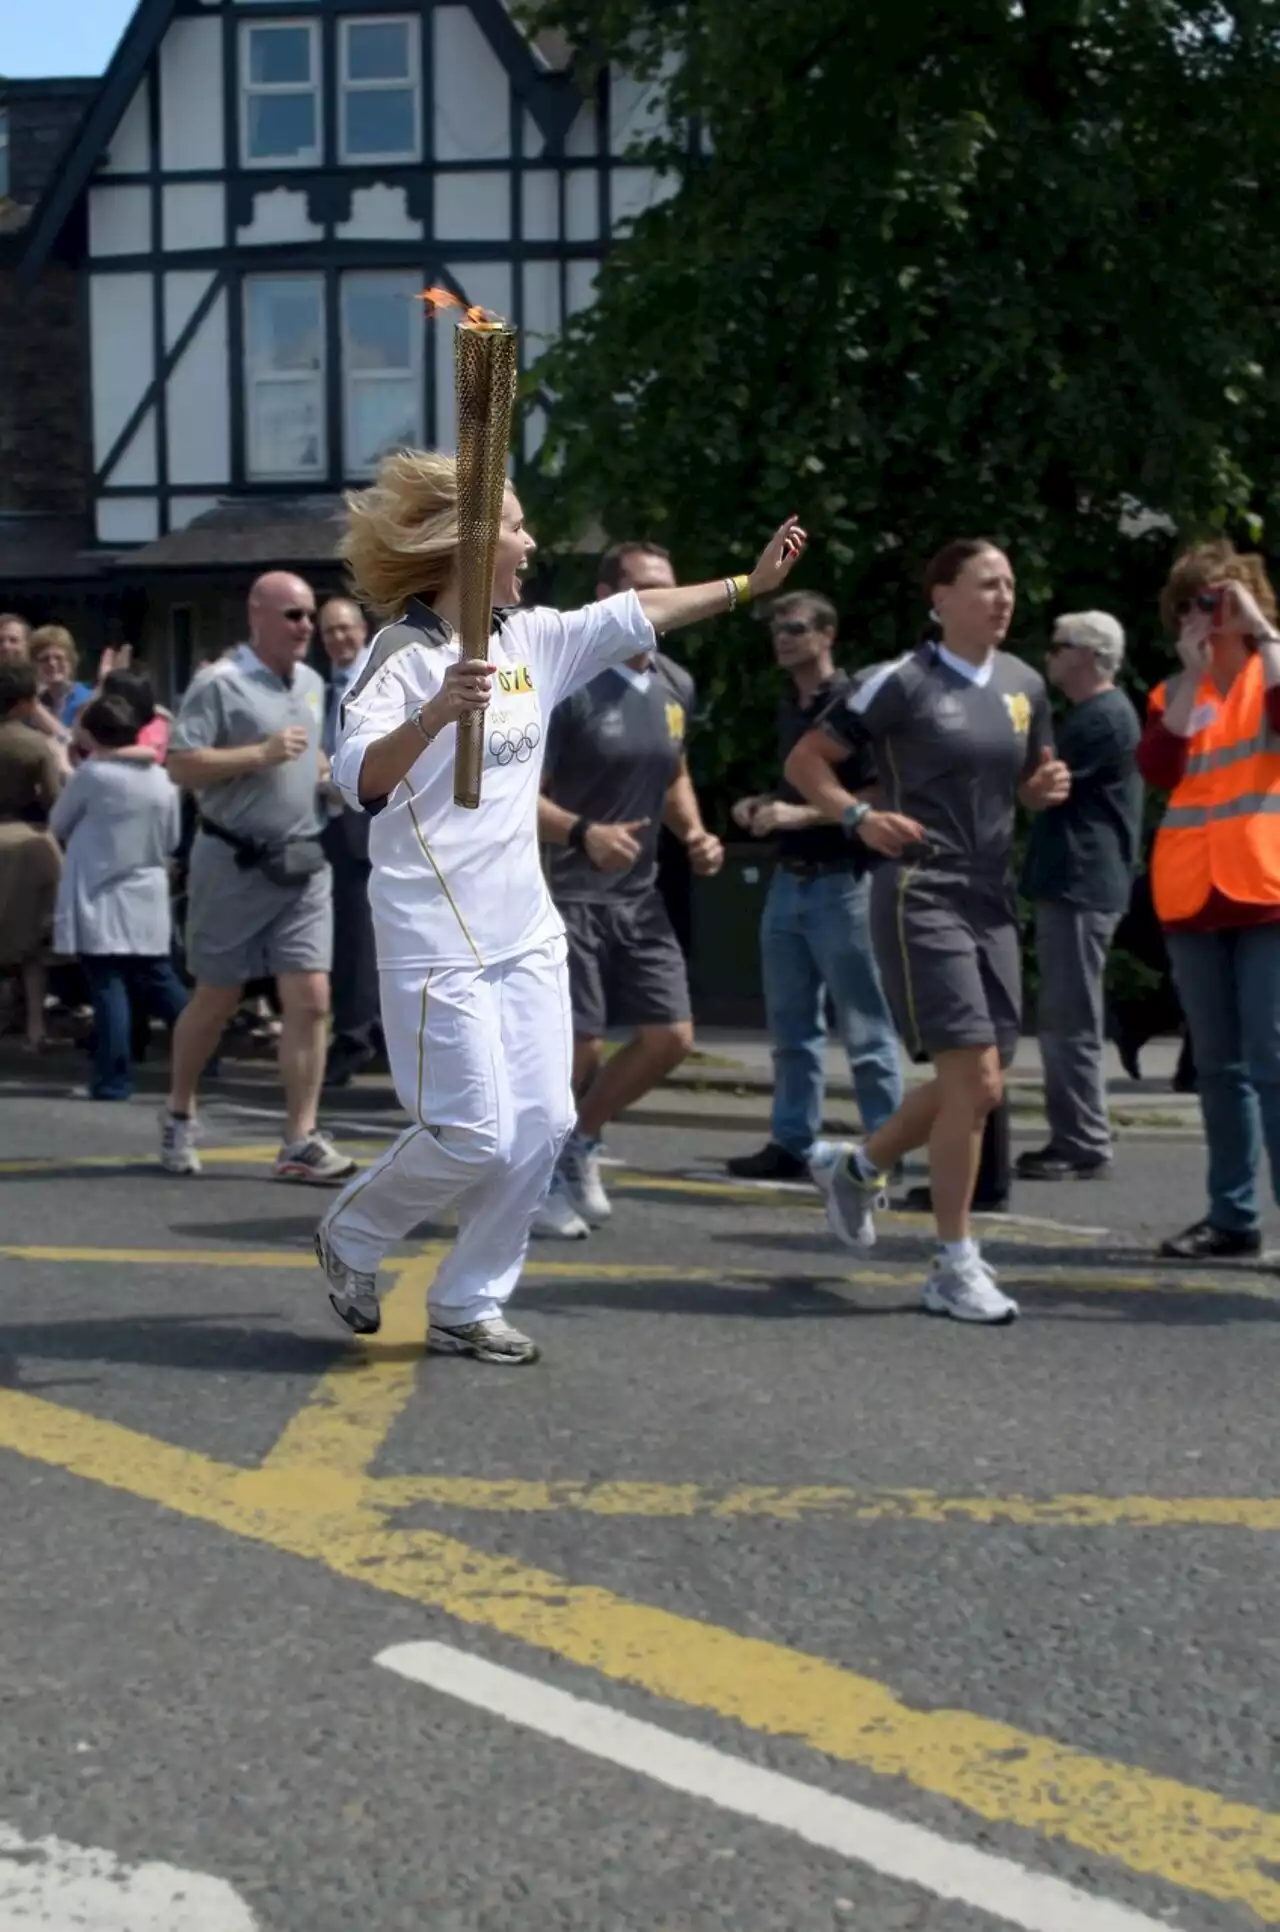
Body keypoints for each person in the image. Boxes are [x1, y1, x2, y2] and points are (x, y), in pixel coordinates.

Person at [318, 447, 806, 1363]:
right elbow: (359, 783)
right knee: (470, 1135)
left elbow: (642, 613)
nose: (531, 542)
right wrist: (432, 720)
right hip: (432, 933)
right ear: (464, 545)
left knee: (544, 1124)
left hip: (525, 926)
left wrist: (749, 581)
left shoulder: (532, 639)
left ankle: (468, 1301)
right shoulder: (405, 656)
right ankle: (351, 1232)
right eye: (513, 526)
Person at [786, 539, 1069, 1324]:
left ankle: (858, 1166)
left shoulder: (1025, 685)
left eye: (1010, 584)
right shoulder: (899, 682)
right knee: (973, 1082)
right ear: (940, 597)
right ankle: (953, 1263)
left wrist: (1045, 787)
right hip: (918, 890)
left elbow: (1030, 781)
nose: (1003, 597)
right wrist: (857, 815)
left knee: (973, 1085)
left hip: (990, 898)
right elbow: (808, 761)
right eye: (987, 584)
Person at [532, 540, 723, 1238]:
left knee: (670, 1036)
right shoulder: (567, 685)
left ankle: (580, 1140)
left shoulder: (675, 682)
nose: (661, 605)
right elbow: (515, 798)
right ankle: (537, 1176)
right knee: (577, 1048)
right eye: (644, 591)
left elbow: (673, 772)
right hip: (566, 891)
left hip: (638, 896)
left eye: (668, 589)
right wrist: (583, 833)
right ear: (608, 599)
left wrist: (695, 832)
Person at [161, 571, 356, 1185]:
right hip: (232, 862)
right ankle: (178, 1111)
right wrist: (259, 755)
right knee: (217, 998)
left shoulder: (313, 683)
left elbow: (311, 754)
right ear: (258, 615)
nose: (306, 628)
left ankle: (299, 1137)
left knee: (312, 998)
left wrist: (331, 781)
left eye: (310, 617)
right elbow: (180, 765)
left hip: (301, 862)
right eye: (294, 616)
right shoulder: (217, 684)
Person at [726, 590, 902, 1181]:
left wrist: (799, 816)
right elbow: (802, 792)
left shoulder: (855, 705)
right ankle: (792, 1142)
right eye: (777, 628)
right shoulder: (791, 707)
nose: (783, 637)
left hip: (845, 883)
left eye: (796, 627)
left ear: (827, 635)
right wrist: (766, 805)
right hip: (791, 881)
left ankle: (887, 1146)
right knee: (792, 1029)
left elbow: (880, 798)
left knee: (867, 1027)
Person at [1137, 542, 1280, 1261]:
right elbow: (1160, 766)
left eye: (1222, 599)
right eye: (1198, 602)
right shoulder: (1174, 692)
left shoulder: (1271, 673)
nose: (1211, 613)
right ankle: (1232, 1218)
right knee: (1217, 1065)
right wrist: (1194, 676)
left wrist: (1268, 634)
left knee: (1273, 1058)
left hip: (1266, 893)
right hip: (1194, 895)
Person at [1017, 611, 1142, 1180]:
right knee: (1066, 1015)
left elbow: (1041, 783)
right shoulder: (1097, 716)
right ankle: (1077, 1132)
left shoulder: (1103, 718)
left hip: (1081, 883)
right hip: (1078, 881)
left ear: (1089, 655)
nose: (1050, 654)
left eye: (1059, 645)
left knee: (1070, 1019)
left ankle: (1082, 1140)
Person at [49, 693, 188, 1100]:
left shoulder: (93, 775)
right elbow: (173, 838)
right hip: (147, 894)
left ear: (94, 734)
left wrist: (64, 769)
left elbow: (58, 822)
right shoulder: (161, 777)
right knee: (160, 981)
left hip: (100, 895)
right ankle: (207, 1051)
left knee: (108, 985)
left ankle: (113, 1078)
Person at [317, 596, 382, 1086]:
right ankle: (365, 1030)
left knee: (359, 937)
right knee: (352, 934)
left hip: (369, 823)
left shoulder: (375, 679)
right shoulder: (324, 688)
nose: (339, 639)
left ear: (363, 630)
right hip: (334, 825)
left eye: (345, 629)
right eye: (329, 632)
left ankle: (356, 1037)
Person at [0, 663, 65, 1050]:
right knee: (33, 944)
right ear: (26, 704)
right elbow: (54, 800)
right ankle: (36, 1027)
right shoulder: (35, 745)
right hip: (28, 839)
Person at [31, 626, 93, 731]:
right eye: (44, 659)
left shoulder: (88, 699)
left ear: (71, 661)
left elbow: (71, 741)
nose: (52, 663)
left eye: (58, 658)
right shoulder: (35, 700)